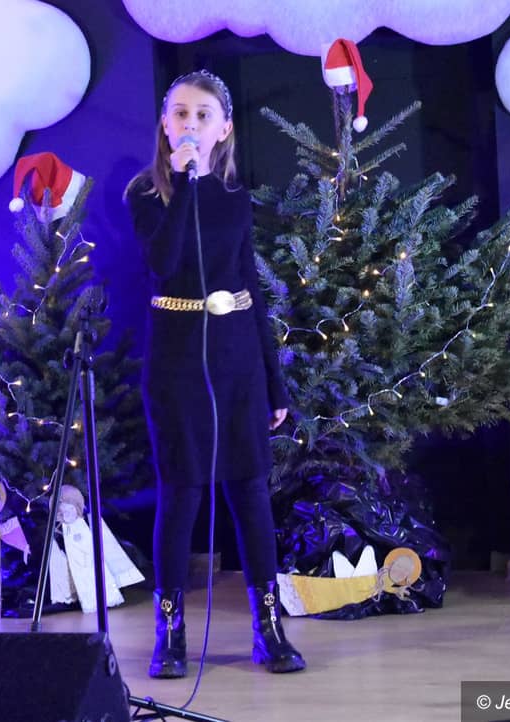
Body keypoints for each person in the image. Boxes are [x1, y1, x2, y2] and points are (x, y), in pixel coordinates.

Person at [124, 70, 306, 676]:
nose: (191, 124)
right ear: (165, 124)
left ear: (224, 128)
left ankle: (269, 628)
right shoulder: (144, 194)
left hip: (237, 362)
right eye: (180, 114)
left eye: (204, 115)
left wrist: (274, 382)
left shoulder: (236, 198)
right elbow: (163, 261)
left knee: (250, 491)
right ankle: (170, 633)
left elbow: (251, 286)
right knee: (181, 493)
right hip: (176, 364)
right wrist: (183, 181)